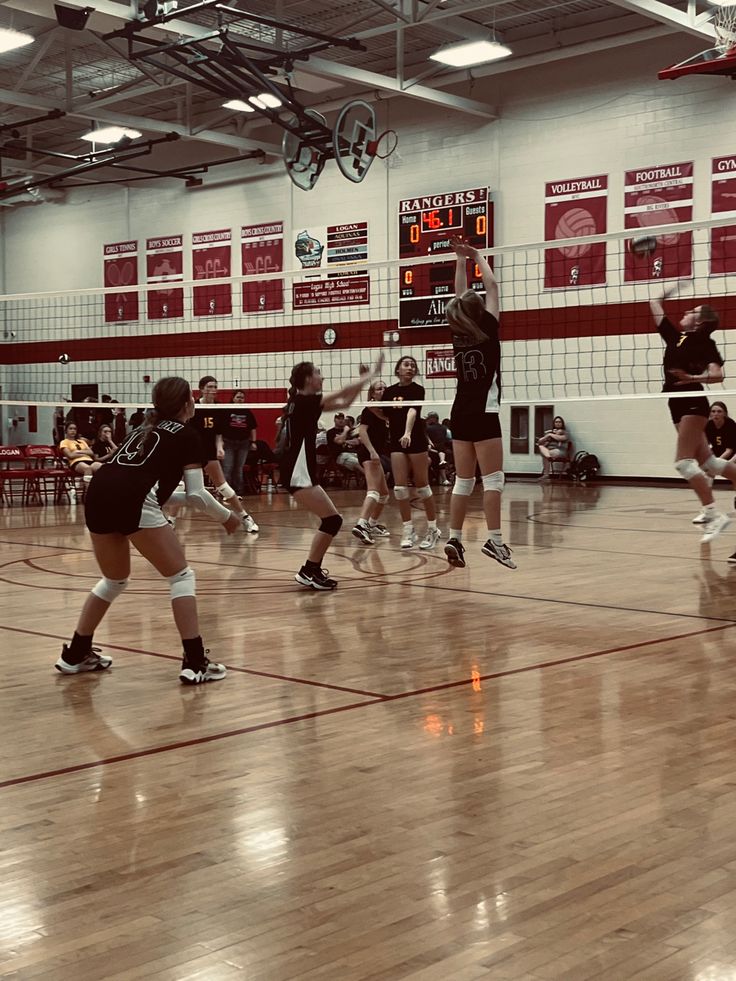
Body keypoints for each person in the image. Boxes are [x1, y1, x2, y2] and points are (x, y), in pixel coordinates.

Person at [55, 376, 242, 683]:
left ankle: (75, 653)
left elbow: (152, 489)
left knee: (113, 580)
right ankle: (195, 663)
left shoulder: (143, 428)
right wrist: (226, 516)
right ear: (186, 404)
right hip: (130, 500)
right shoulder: (187, 434)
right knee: (181, 577)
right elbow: (195, 494)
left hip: (99, 493)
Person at [442, 236, 516, 571]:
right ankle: (496, 542)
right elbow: (493, 285)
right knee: (494, 480)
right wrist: (476, 255)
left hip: (459, 412)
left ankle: (455, 537)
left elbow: (461, 295)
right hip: (485, 413)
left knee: (464, 481)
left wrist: (460, 261)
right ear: (480, 310)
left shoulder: (458, 329)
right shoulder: (487, 327)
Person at [282, 355, 383, 590]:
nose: (322, 376)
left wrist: (361, 380)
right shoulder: (306, 401)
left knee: (332, 520)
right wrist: (370, 376)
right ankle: (309, 570)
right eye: (318, 373)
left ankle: (311, 570)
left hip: (298, 469)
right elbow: (342, 392)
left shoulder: (300, 401)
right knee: (332, 520)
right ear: (308, 379)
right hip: (299, 471)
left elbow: (345, 403)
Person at [650, 285, 736, 543]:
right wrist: (669, 290)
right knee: (709, 463)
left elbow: (718, 374)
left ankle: (713, 513)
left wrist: (692, 378)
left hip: (693, 401)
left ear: (700, 322)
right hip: (674, 401)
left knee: (683, 463)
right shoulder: (676, 338)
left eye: (693, 311)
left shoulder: (704, 342)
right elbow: (654, 305)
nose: (686, 311)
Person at [382, 356, 441, 550]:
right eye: (406, 365)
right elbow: (379, 410)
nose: (410, 368)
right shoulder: (389, 391)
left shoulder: (417, 389)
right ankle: (408, 529)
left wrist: (407, 432)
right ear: (398, 369)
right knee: (399, 489)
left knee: (422, 487)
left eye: (413, 366)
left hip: (415, 440)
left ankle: (433, 529)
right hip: (397, 442)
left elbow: (412, 412)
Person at [191, 375, 259, 533]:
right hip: (192, 451)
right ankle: (171, 520)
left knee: (223, 485)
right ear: (201, 389)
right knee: (183, 487)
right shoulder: (193, 405)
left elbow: (218, 432)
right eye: (209, 387)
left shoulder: (218, 407)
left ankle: (246, 518)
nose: (213, 390)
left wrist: (219, 446)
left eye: (215, 387)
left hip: (208, 451)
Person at [352, 380, 391, 544]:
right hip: (369, 454)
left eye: (385, 388)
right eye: (379, 388)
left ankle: (372, 524)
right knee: (374, 491)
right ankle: (361, 524)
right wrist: (372, 451)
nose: (383, 390)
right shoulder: (369, 409)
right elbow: (362, 432)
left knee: (384, 495)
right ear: (372, 393)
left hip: (377, 454)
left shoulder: (384, 411)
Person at [222, 389, 257, 497]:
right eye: (238, 397)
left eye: (242, 397)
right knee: (228, 467)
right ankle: (226, 492)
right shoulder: (226, 410)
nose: (240, 399)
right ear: (233, 398)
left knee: (239, 468)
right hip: (228, 442)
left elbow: (253, 428)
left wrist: (253, 442)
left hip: (243, 443)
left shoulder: (247, 411)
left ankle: (239, 491)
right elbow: (220, 428)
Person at [426, 411, 452, 486]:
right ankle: (444, 479)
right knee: (443, 458)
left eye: (429, 418)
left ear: (433, 419)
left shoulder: (427, 428)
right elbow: (449, 438)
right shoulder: (444, 428)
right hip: (443, 451)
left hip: (431, 451)